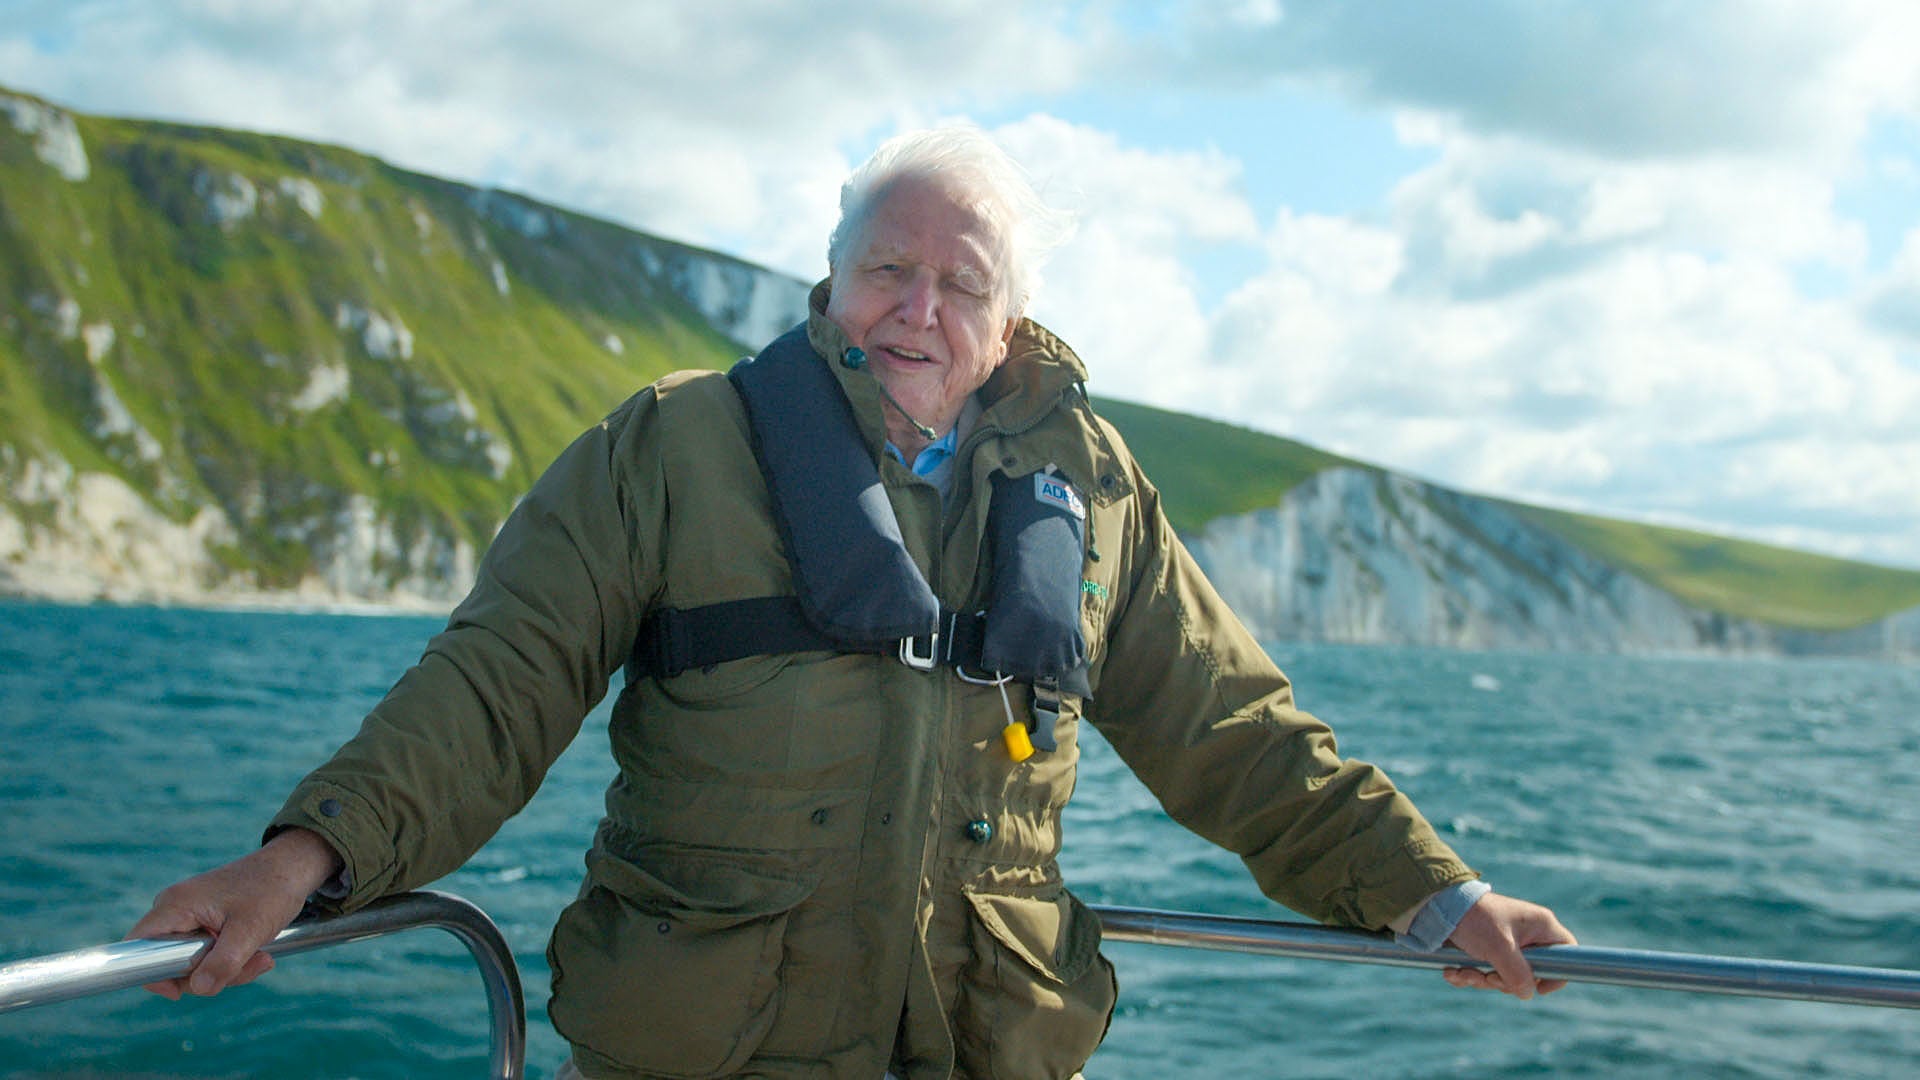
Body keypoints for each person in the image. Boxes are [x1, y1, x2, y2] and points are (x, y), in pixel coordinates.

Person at [130, 126, 1574, 1079]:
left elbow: (1237, 735)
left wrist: (1431, 890)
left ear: (1010, 324)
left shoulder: (1095, 486)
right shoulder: (673, 444)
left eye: (960, 284)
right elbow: (497, 681)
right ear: (831, 280)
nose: (916, 309)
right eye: (887, 267)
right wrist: (306, 858)